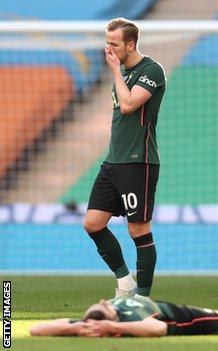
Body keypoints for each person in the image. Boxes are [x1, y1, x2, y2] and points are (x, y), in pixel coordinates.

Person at [82, 18, 167, 298]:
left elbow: (129, 105)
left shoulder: (151, 70)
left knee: (138, 229)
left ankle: (142, 298)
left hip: (138, 161)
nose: (108, 49)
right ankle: (125, 282)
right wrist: (118, 73)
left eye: (114, 44)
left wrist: (116, 73)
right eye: (107, 43)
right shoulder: (123, 73)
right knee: (92, 223)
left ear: (131, 44)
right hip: (114, 161)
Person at [29, 296, 218, 337]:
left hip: (171, 309)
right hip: (174, 313)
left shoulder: (117, 311)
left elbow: (157, 329)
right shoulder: (112, 316)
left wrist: (109, 324)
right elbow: (35, 330)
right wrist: (75, 328)